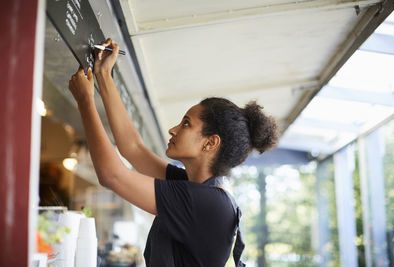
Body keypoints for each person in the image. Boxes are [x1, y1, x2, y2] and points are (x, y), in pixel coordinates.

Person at [68, 38, 279, 267]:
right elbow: (133, 148)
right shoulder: (194, 187)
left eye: (186, 124)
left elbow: (112, 175)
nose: (173, 129)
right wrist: (104, 74)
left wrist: (86, 101)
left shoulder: (205, 202)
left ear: (210, 143)